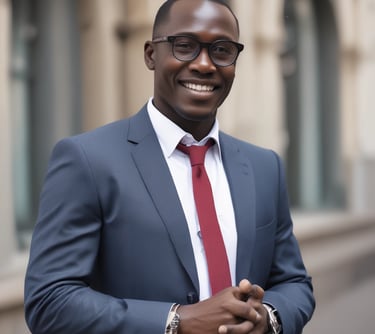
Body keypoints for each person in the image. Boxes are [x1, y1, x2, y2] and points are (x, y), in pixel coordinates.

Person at [24, 0, 315, 333]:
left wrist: (268, 318)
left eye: (221, 50)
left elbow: (294, 282)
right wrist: (177, 321)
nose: (205, 65)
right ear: (151, 54)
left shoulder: (265, 167)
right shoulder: (87, 160)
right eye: (185, 46)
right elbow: (49, 300)